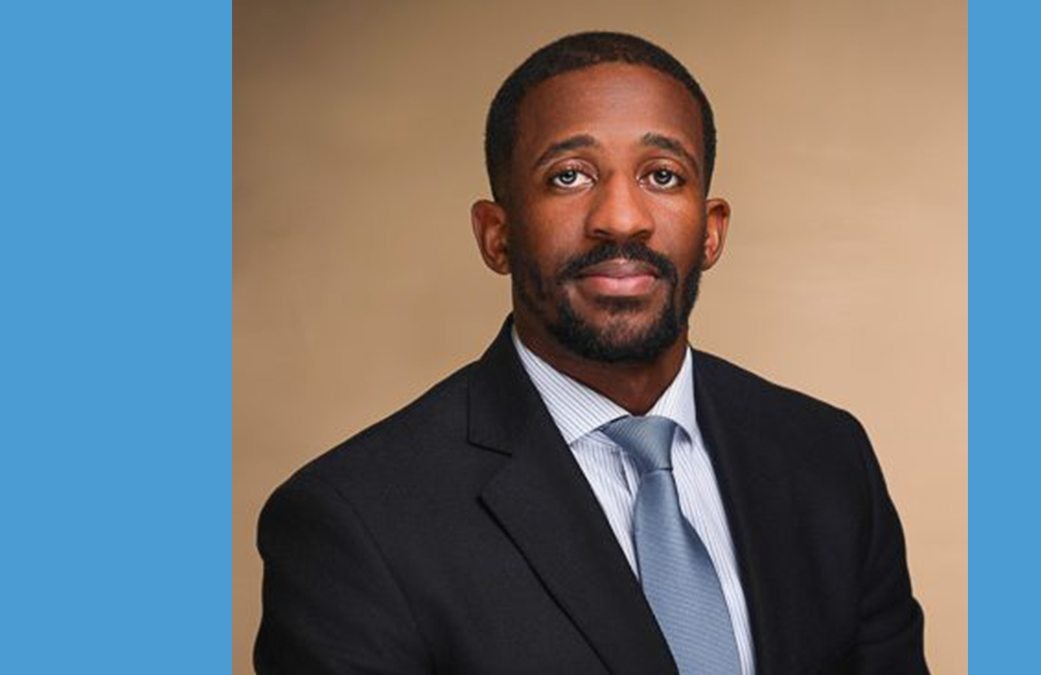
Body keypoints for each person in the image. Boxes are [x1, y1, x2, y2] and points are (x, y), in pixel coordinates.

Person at [254, 31, 928, 675]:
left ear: (712, 230)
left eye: (663, 176)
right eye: (569, 176)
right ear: (497, 234)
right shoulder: (355, 522)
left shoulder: (827, 460)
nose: (622, 218)